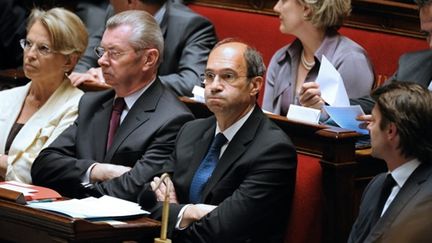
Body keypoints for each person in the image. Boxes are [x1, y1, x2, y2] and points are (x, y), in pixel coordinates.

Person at [31, 10, 194, 201]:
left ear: (149, 59)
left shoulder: (174, 118)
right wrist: (98, 170)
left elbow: (137, 187)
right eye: (101, 51)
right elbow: (43, 165)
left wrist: (74, 188)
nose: (101, 61)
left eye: (114, 53)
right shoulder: (92, 103)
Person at [144, 39, 297, 242]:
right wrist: (190, 212)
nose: (214, 86)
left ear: (255, 85)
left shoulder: (274, 150)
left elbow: (222, 230)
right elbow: (145, 200)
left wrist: (172, 212)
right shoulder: (190, 131)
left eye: (227, 76)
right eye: (209, 76)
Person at [0, 8, 87, 183]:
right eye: (28, 44)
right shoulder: (5, 97)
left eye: (43, 48)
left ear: (69, 61)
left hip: (31, 207)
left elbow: (41, 170)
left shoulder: (78, 106)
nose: (30, 55)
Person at [70, 0, 217, 97]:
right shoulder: (116, 10)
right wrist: (80, 73)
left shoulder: (193, 26)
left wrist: (124, 79)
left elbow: (193, 82)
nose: (110, 1)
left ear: (130, 2)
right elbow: (94, 47)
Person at [348, 82, 432, 243]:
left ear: (391, 131)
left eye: (372, 120)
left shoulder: (428, 197)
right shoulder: (377, 184)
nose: (368, 127)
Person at [262, 0, 374, 116]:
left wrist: (320, 112)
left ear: (307, 9)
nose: (276, 7)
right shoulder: (280, 59)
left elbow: (351, 127)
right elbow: (266, 121)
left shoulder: (352, 60)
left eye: (284, 0)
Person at [352, 0, 432, 114]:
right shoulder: (411, 64)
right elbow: (376, 103)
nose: (431, 44)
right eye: (427, 35)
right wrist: (325, 105)